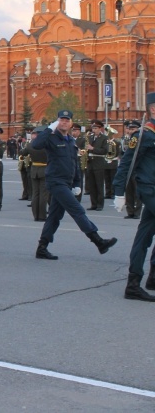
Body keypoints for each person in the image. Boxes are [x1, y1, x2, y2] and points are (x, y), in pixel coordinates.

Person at [30, 110, 117, 261]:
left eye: (67, 120)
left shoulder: (70, 140)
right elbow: (36, 144)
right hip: (55, 182)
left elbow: (74, 163)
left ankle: (42, 248)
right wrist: (49, 128)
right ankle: (98, 241)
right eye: (61, 120)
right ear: (57, 122)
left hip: (67, 182)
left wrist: (77, 183)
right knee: (77, 210)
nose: (64, 122)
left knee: (54, 217)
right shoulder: (50, 137)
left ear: (70, 123)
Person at [112, 94, 155, 302]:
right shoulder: (144, 134)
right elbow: (127, 163)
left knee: (145, 235)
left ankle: (138, 282)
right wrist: (119, 192)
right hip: (150, 189)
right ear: (153, 109)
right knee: (144, 236)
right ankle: (136, 282)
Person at [20, 127, 49, 222]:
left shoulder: (30, 145)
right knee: (43, 194)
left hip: (34, 170)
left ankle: (35, 215)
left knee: (35, 194)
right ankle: (42, 215)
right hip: (45, 169)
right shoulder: (46, 146)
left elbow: (22, 153)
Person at [85, 120, 108, 210]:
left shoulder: (104, 138)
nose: (93, 130)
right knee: (92, 185)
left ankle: (100, 204)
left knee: (99, 185)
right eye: (93, 128)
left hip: (99, 162)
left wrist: (93, 148)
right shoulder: (90, 137)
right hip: (90, 163)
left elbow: (104, 151)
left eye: (95, 128)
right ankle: (93, 204)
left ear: (100, 129)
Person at [121, 120, 142, 219]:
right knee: (128, 191)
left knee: (137, 192)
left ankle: (137, 212)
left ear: (138, 129)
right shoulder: (125, 140)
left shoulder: (140, 139)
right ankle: (130, 212)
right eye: (129, 129)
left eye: (133, 129)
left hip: (137, 168)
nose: (130, 131)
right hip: (128, 168)